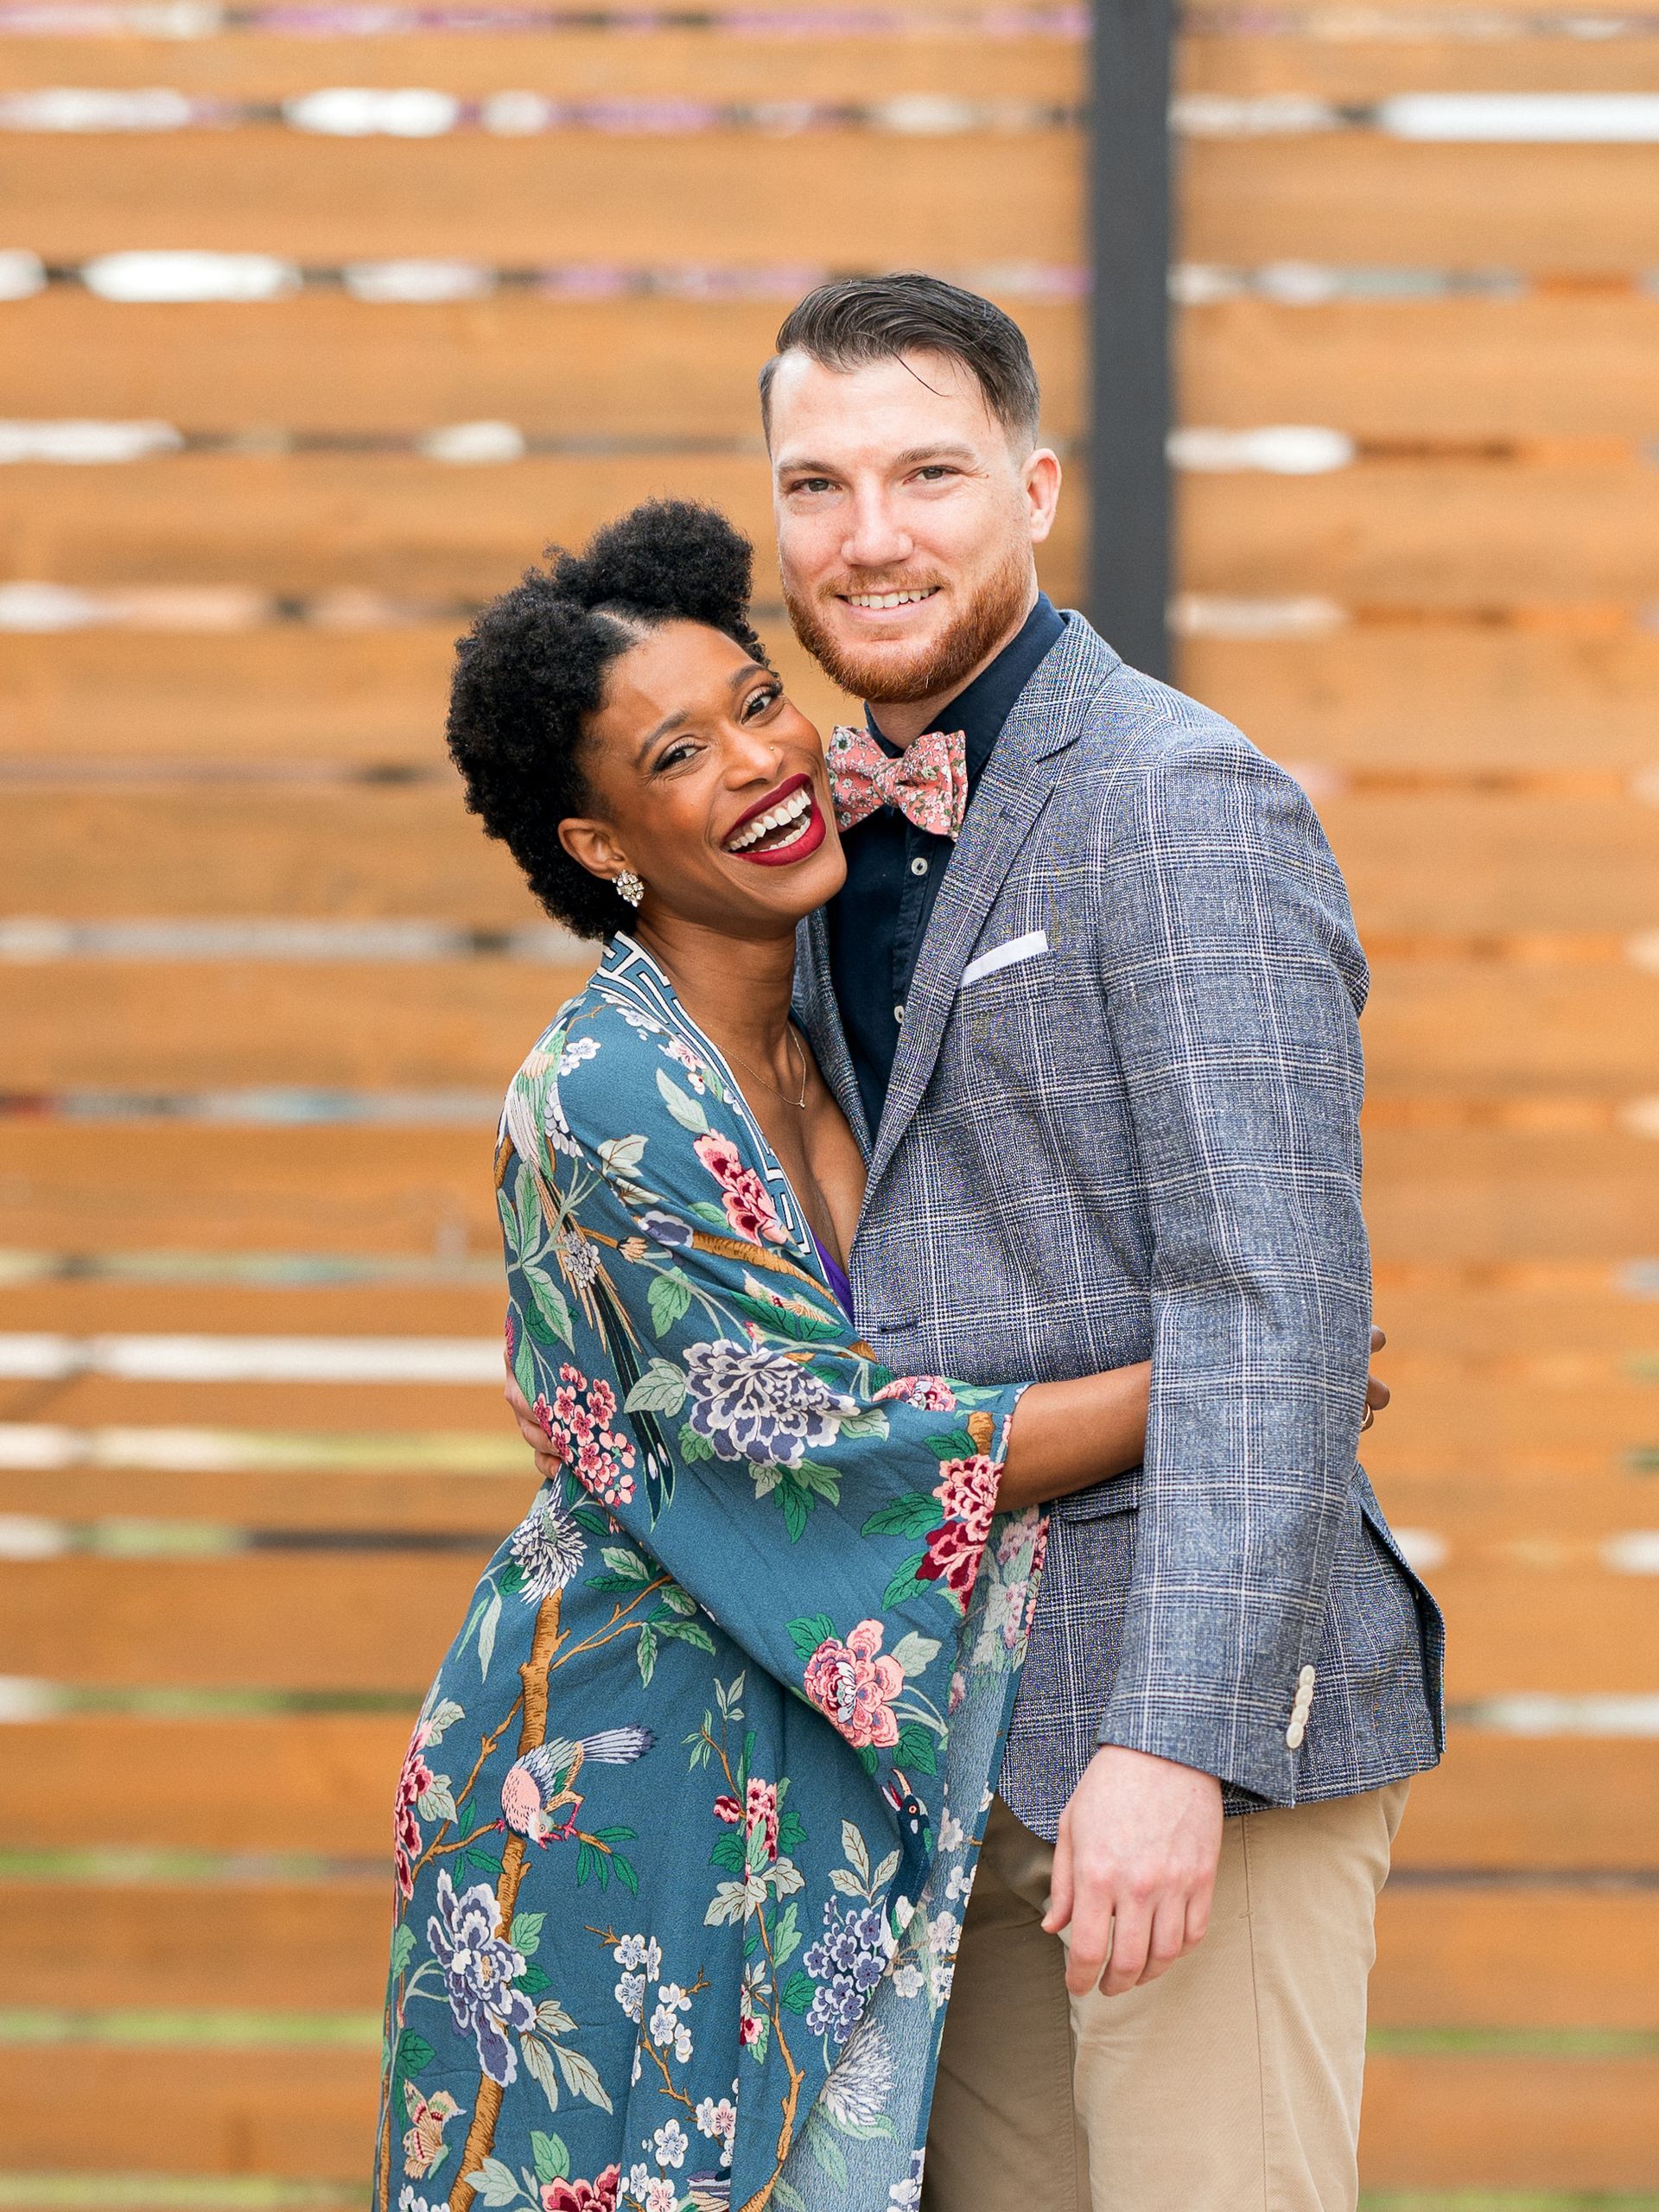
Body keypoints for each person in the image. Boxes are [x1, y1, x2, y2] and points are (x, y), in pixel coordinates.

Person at [509, 274, 1444, 2212]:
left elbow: (1269, 1295)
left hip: (1190, 1730)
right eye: (820, 484)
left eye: (926, 472)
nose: (872, 536)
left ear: (1030, 484)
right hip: (949, 1749)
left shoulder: (1178, 802)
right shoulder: (821, 847)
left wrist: (1176, 1747)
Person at [374, 498, 1180, 2212]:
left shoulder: (838, 1003)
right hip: (617, 1771)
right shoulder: (606, 1095)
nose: (761, 758)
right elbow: (829, 1441)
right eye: (683, 751)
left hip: (801, 1764)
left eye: (756, 696)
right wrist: (1217, 1382)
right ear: (603, 840)